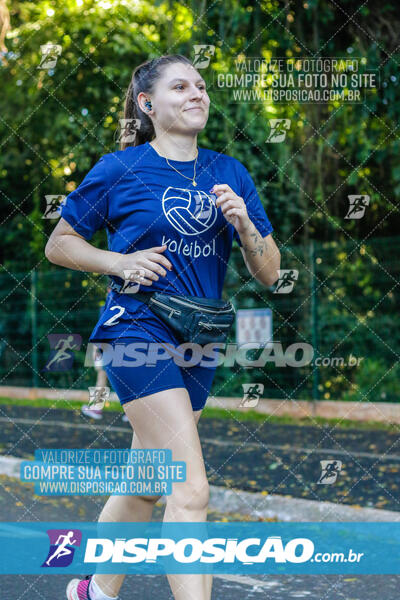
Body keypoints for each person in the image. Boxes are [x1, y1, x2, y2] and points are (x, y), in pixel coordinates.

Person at [45, 54, 281, 600]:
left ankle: (93, 592)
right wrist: (119, 263)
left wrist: (244, 223)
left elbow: (269, 272)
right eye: (181, 86)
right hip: (137, 328)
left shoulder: (231, 172)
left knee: (145, 484)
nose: (197, 92)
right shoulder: (119, 168)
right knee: (190, 489)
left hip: (201, 336)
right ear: (148, 104)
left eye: (200, 85)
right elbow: (60, 244)